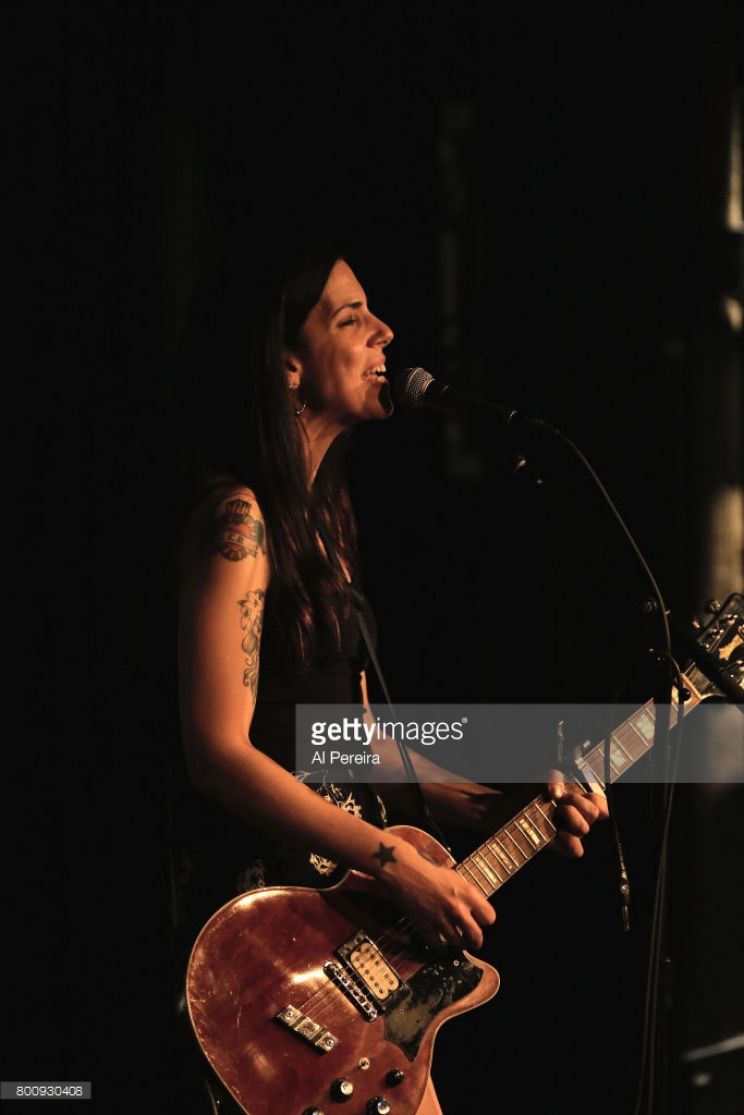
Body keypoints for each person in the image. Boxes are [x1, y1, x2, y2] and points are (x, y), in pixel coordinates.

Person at [170, 242, 608, 1114]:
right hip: (278, 957)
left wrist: (500, 811)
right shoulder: (238, 518)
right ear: (286, 363)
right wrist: (392, 861)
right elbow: (216, 750)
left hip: (354, 957)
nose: (387, 333)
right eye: (351, 316)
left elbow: (351, 742)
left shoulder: (323, 524)